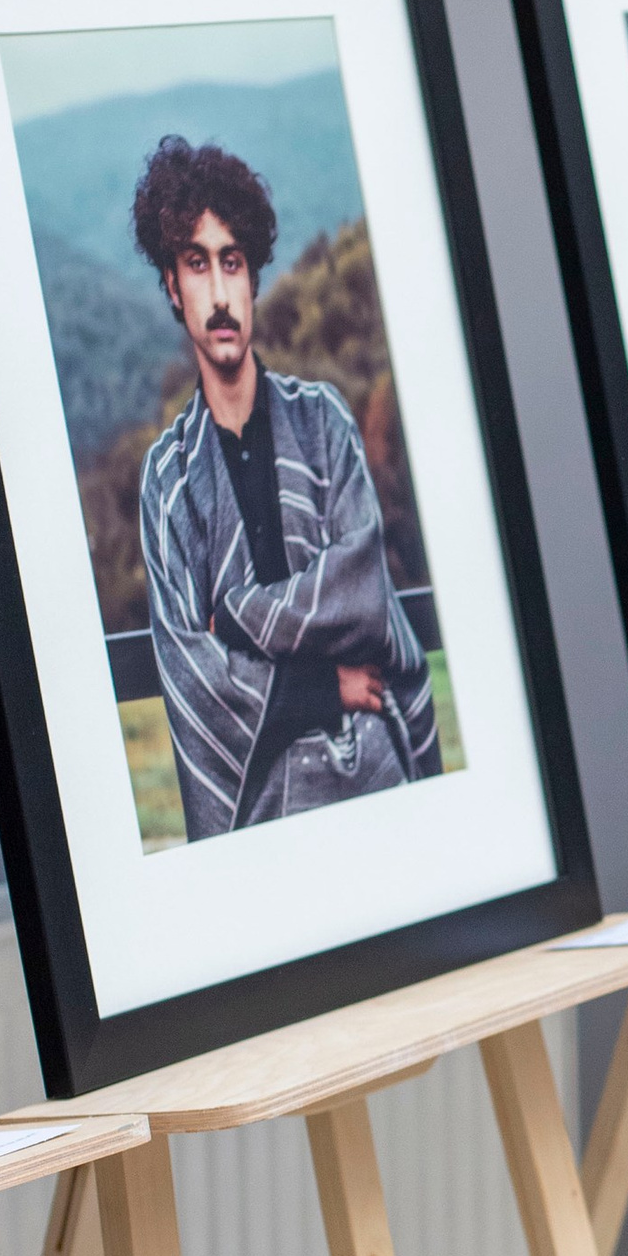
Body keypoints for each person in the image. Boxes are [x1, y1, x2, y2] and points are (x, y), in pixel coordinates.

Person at [133, 137, 439, 837]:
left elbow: (360, 592)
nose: (218, 293)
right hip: (266, 810)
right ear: (173, 287)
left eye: (232, 262)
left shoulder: (323, 420)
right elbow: (191, 673)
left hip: (374, 772)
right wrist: (319, 688)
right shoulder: (170, 480)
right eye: (196, 263)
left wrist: (238, 617)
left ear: (255, 279)